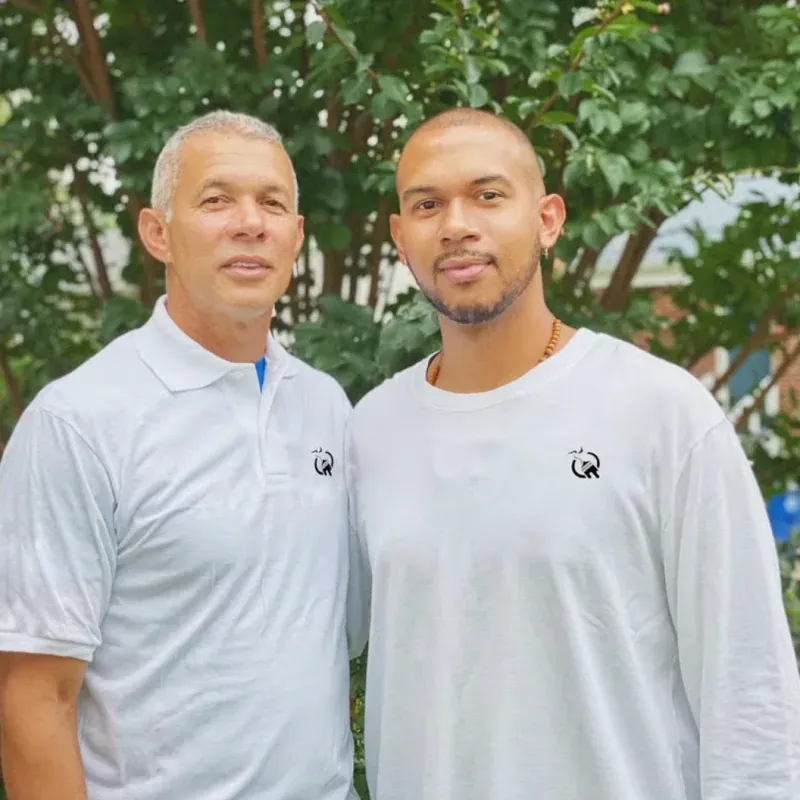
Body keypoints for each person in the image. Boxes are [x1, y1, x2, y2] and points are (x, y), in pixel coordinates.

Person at [345, 108, 800, 800]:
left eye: (488, 195)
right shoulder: (370, 432)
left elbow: (749, 683)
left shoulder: (660, 413)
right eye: (427, 204)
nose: (457, 223)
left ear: (548, 219)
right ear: (401, 237)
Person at [0, 111, 357, 800]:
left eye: (272, 204)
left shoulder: (326, 408)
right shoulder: (79, 422)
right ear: (157, 233)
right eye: (217, 200)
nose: (250, 223)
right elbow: (33, 697)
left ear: (296, 237)